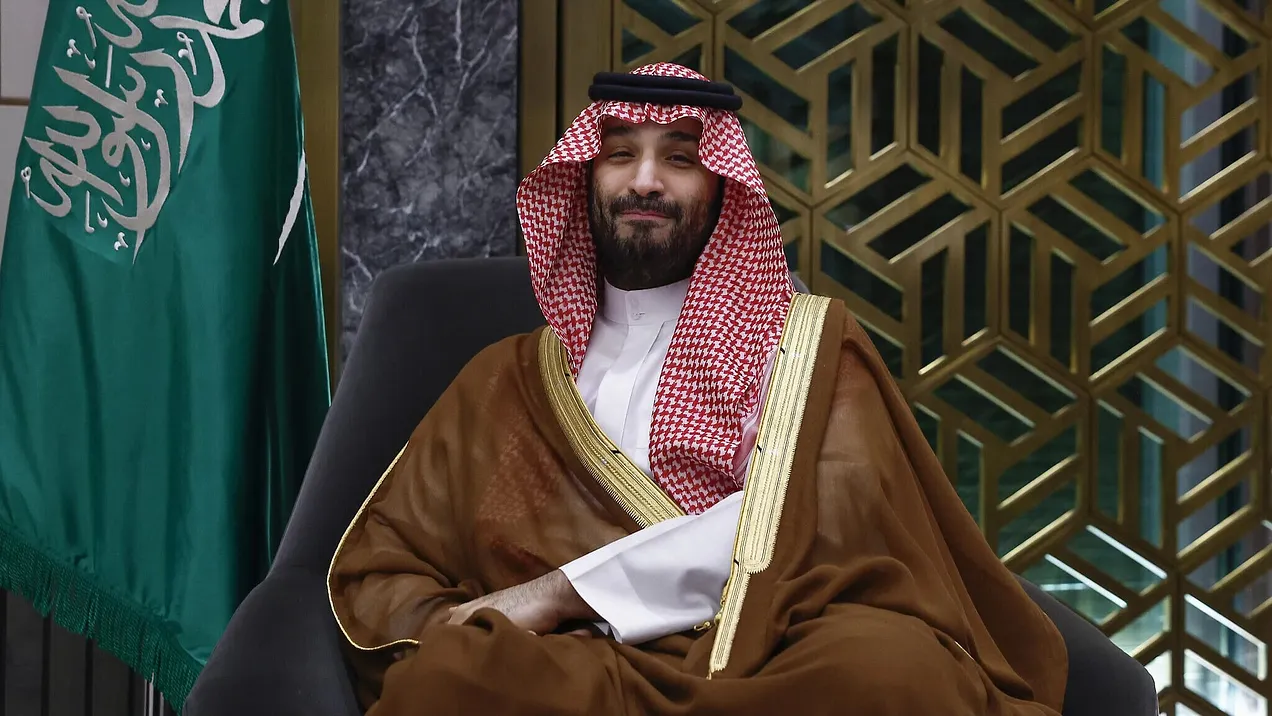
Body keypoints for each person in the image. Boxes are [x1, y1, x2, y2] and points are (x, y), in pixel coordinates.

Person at [327, 62, 1068, 715]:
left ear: (721, 187)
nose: (645, 181)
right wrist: (484, 624)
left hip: (775, 645)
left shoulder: (805, 344)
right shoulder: (505, 378)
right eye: (620, 154)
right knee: (454, 677)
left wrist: (558, 591)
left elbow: (812, 516)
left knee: (895, 672)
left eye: (680, 158)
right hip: (580, 661)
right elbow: (389, 556)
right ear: (584, 176)